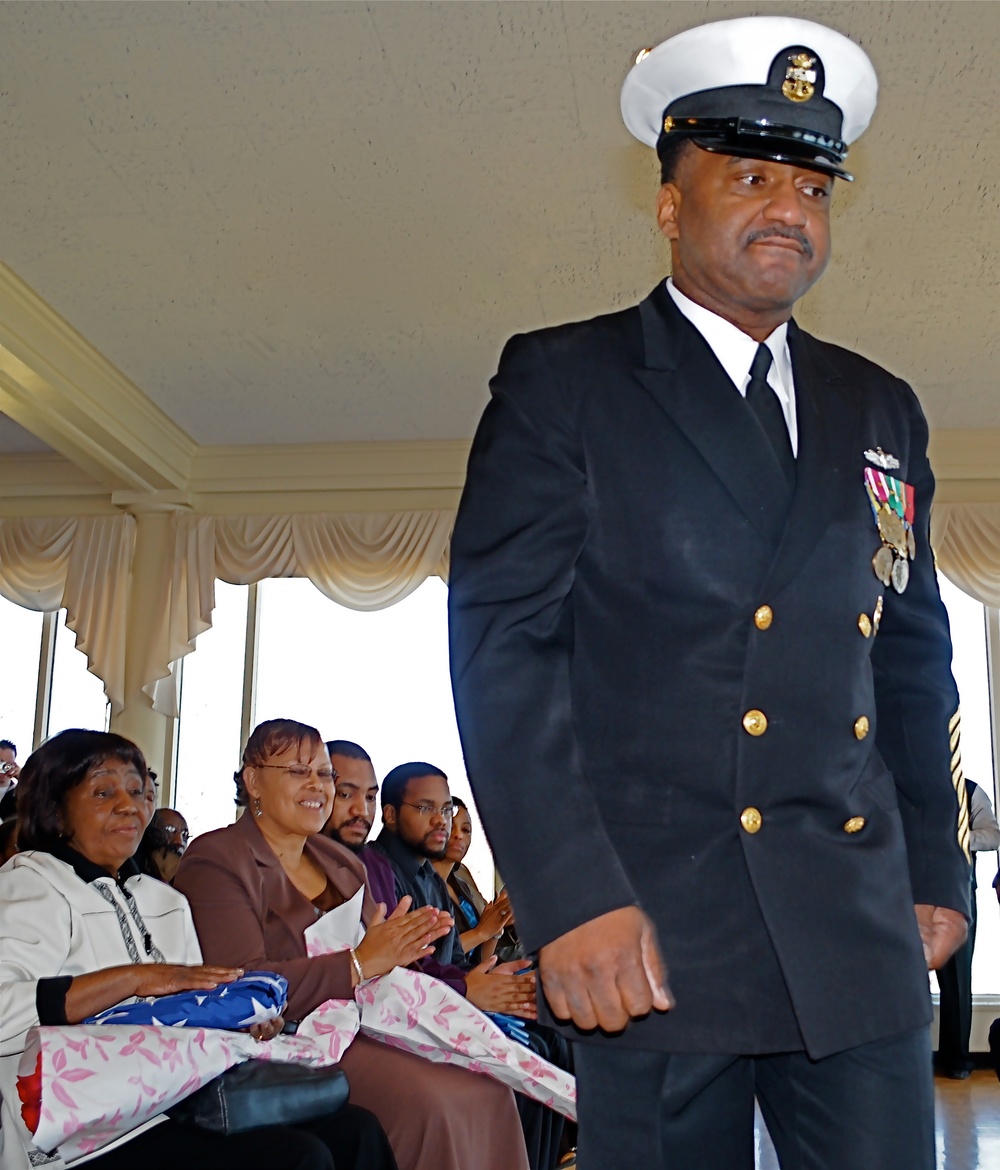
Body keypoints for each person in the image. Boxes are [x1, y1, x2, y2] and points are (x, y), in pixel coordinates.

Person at [447, 15, 971, 1170]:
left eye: (812, 188)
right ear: (671, 205)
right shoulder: (566, 381)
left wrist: (937, 869)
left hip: (852, 917)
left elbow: (911, 656)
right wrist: (566, 897)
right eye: (749, 177)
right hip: (649, 928)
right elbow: (506, 651)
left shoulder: (879, 407)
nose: (790, 209)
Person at [0, 728, 393, 1170]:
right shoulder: (30, 886)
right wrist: (136, 979)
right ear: (55, 808)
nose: (129, 805)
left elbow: (191, 1013)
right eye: (103, 792)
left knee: (357, 1131)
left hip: (175, 1101)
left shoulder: (162, 900)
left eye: (136, 790)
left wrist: (243, 1021)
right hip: (80, 1132)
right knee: (297, 1158)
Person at [174, 719, 529, 1170]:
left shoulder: (340, 861)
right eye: (298, 772)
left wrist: (430, 969)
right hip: (290, 1039)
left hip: (372, 1022)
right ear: (253, 781)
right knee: (436, 1101)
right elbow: (239, 985)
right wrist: (359, 964)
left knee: (491, 1086)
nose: (317, 786)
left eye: (324, 775)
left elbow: (383, 958)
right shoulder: (217, 859)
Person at [370, 763, 568, 1170]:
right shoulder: (378, 871)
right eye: (425, 809)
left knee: (551, 1036)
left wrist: (486, 979)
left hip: (450, 1003)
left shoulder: (432, 878)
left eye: (445, 810)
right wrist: (468, 988)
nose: (441, 822)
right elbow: (399, 972)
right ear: (389, 814)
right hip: (405, 1018)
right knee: (529, 1053)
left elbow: (455, 962)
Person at [936, 778, 1000, 1077]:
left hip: (956, 892)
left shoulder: (971, 791)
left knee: (958, 981)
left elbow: (993, 836)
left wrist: (957, 837)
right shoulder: (905, 784)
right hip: (906, 891)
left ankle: (957, 1060)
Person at [430, 796, 515, 965]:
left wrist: (498, 924)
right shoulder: (420, 885)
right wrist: (481, 932)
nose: (458, 836)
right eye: (450, 827)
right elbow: (433, 958)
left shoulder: (461, 879)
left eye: (466, 830)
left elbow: (480, 961)